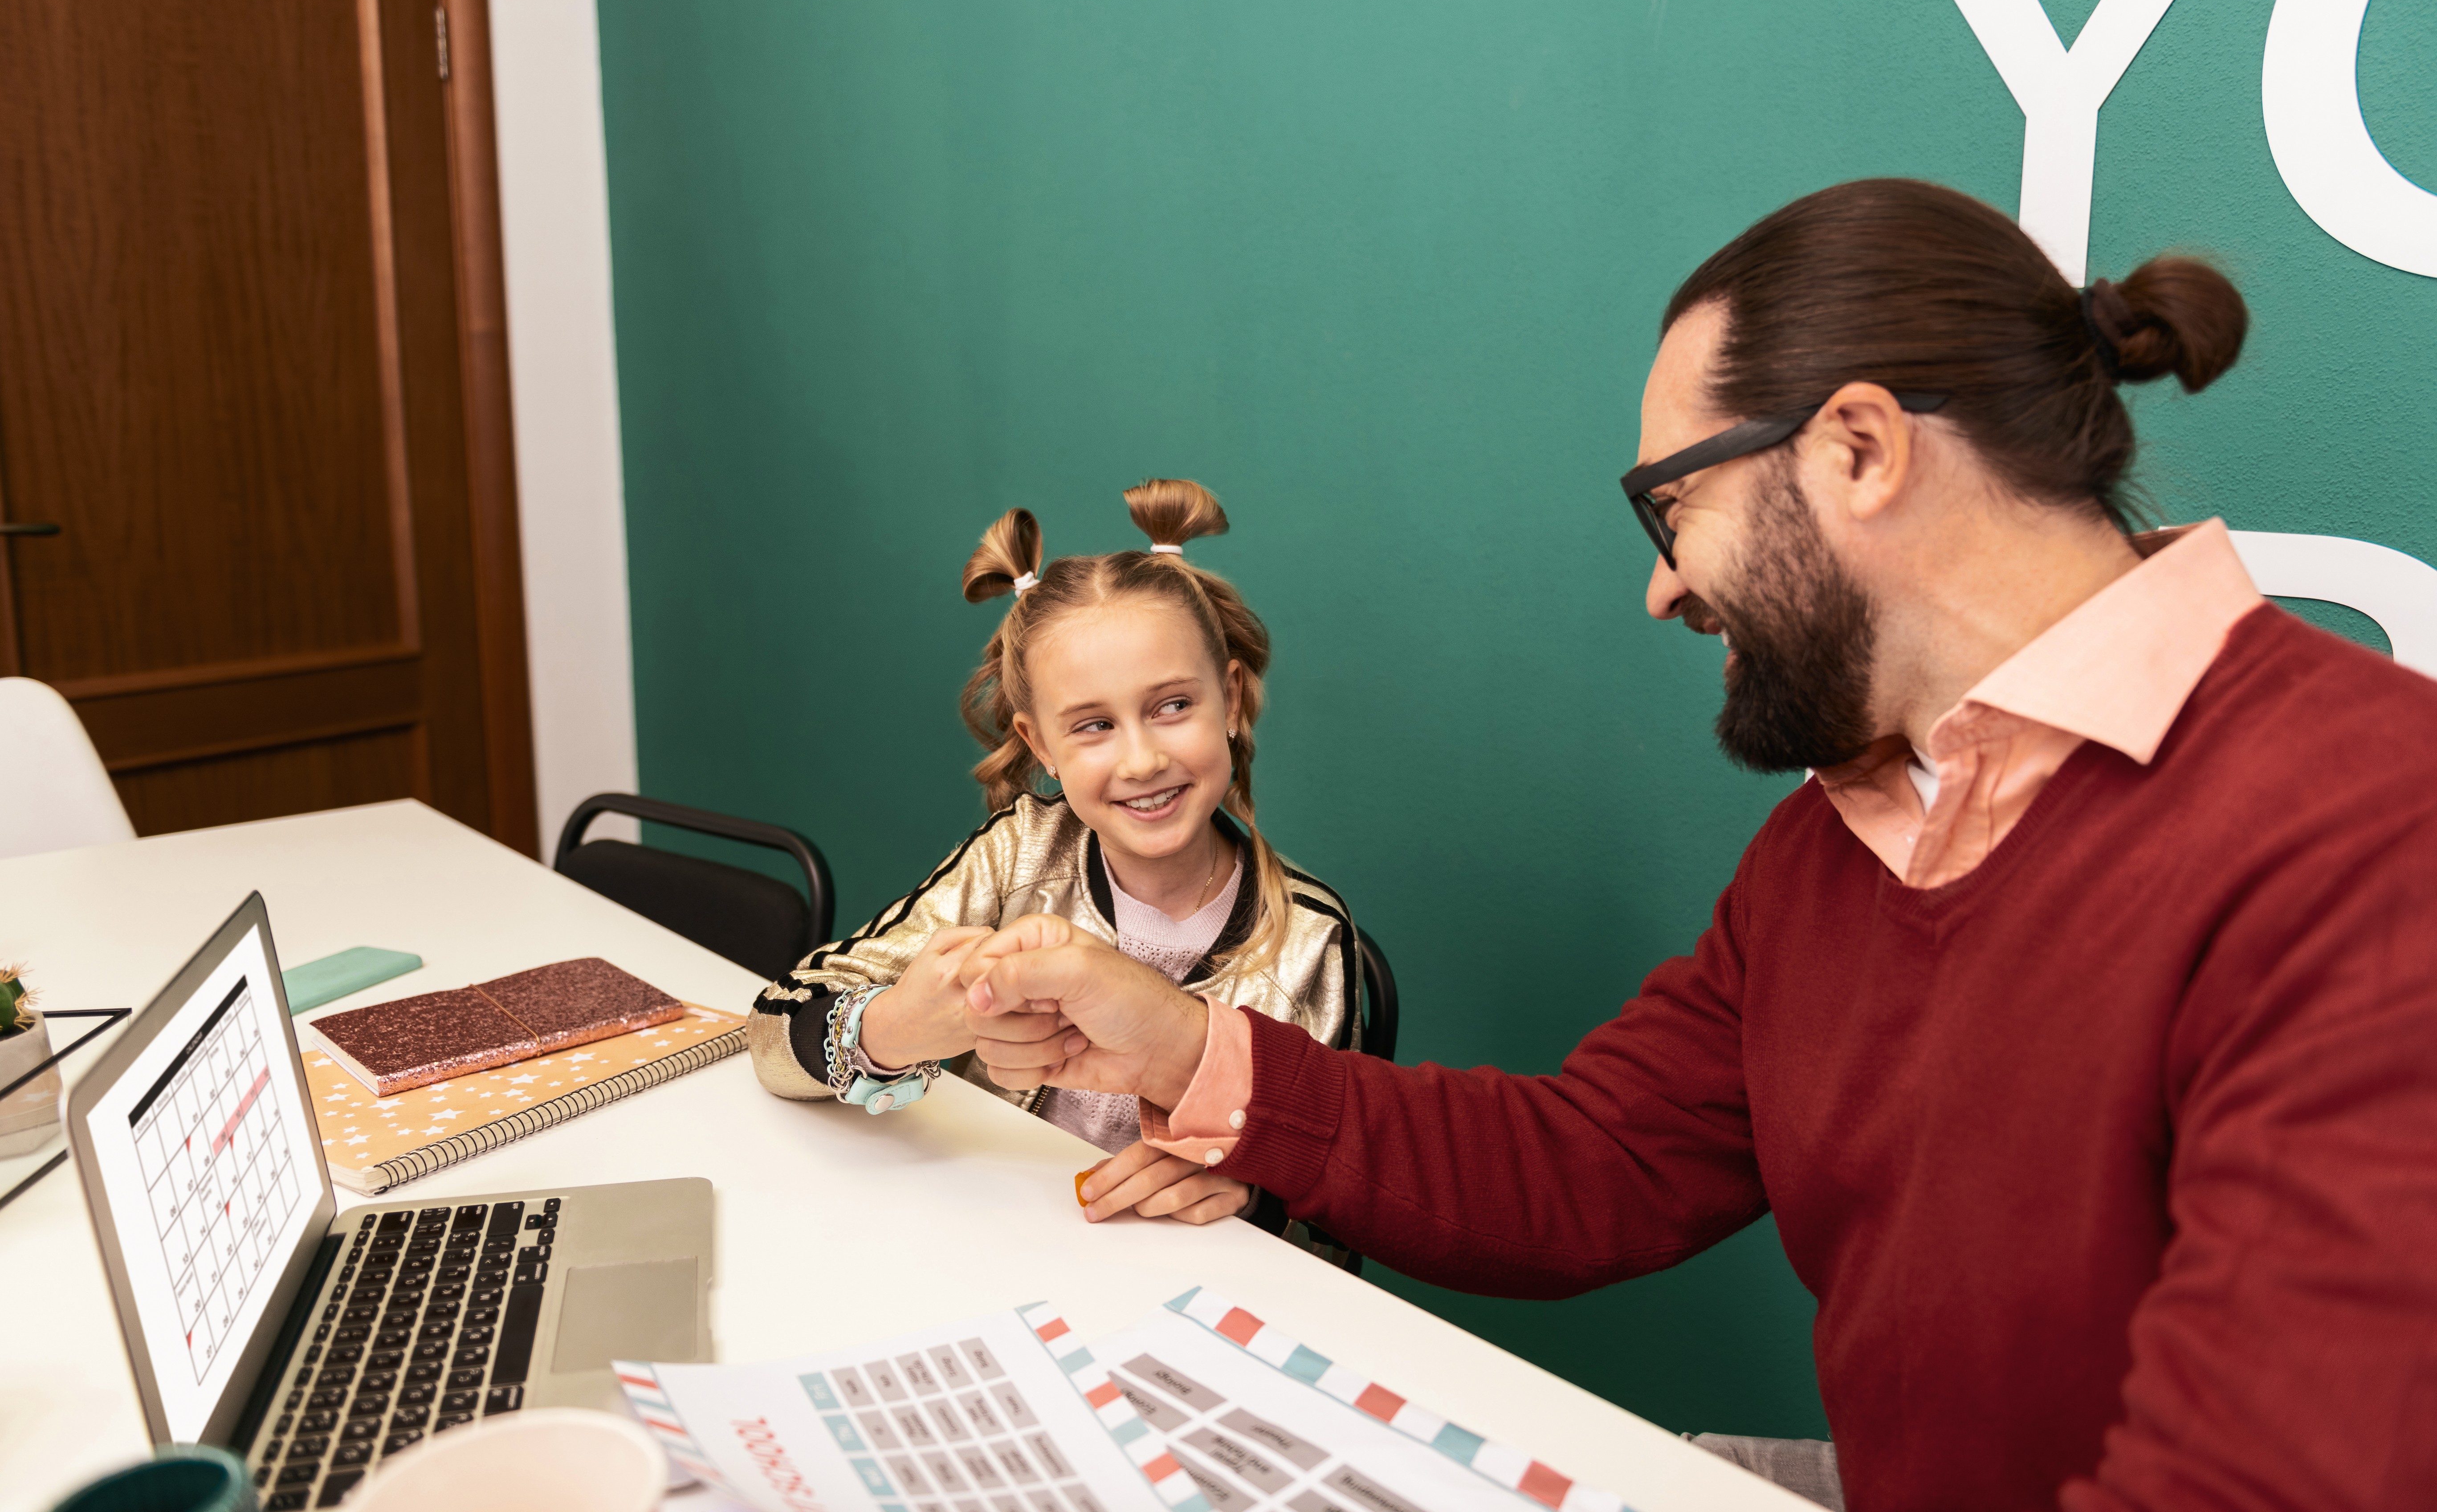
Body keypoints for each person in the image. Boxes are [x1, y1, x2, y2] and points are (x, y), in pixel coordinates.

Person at [948, 180, 2437, 1512]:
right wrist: (1182, 1048)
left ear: (1856, 447)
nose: (1663, 590)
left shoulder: (2370, 821)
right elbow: (1590, 1162)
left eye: (1671, 509)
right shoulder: (1830, 848)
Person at [746, 477, 1361, 1231]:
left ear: (1230, 700)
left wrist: (1255, 1192)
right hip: (996, 1242)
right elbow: (774, 1034)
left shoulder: (1311, 941)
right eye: (1094, 726)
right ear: (1040, 744)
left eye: (1173, 706)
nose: (1140, 761)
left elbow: (1344, 1195)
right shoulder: (1019, 857)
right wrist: (895, 1027)